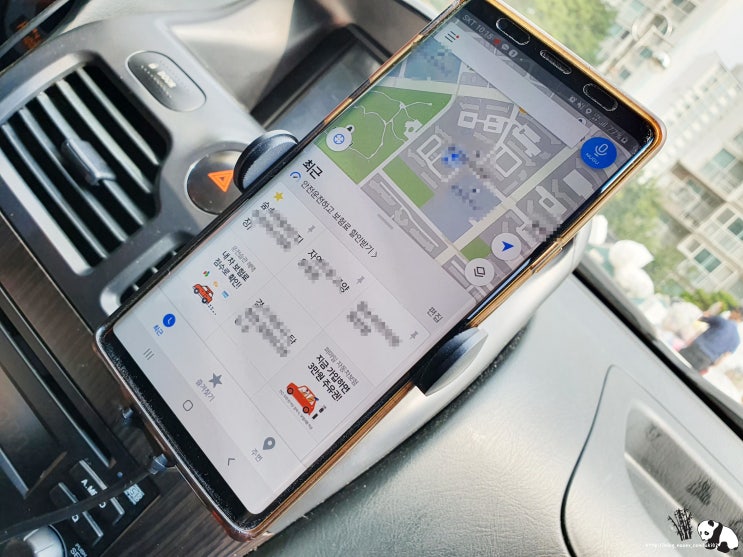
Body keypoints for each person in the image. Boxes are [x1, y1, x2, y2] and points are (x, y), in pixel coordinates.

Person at [679, 307, 742, 373]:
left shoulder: (722, 321)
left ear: (738, 314)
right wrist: (709, 367)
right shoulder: (737, 340)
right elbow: (724, 357)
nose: (731, 312)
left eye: (734, 311)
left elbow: (702, 318)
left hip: (694, 349)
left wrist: (707, 313)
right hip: (705, 362)